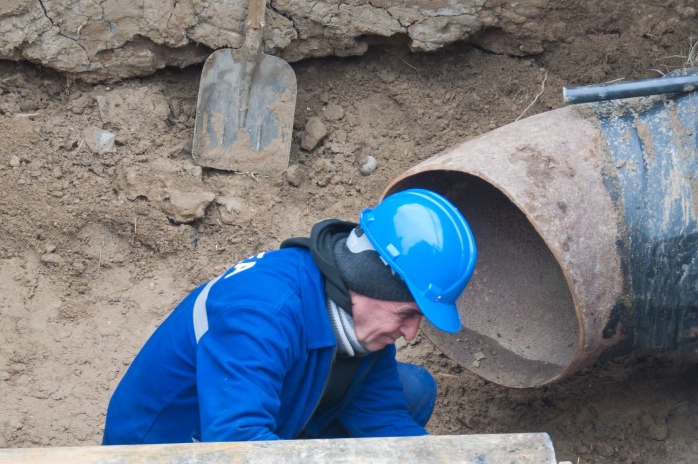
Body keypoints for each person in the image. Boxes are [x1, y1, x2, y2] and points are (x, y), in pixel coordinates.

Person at [101, 188, 477, 445]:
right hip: (167, 455)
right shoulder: (261, 313)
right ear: (370, 284)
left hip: (248, 419)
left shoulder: (353, 314)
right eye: (407, 314)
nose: (411, 333)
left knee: (412, 389)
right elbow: (238, 448)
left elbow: (382, 418)